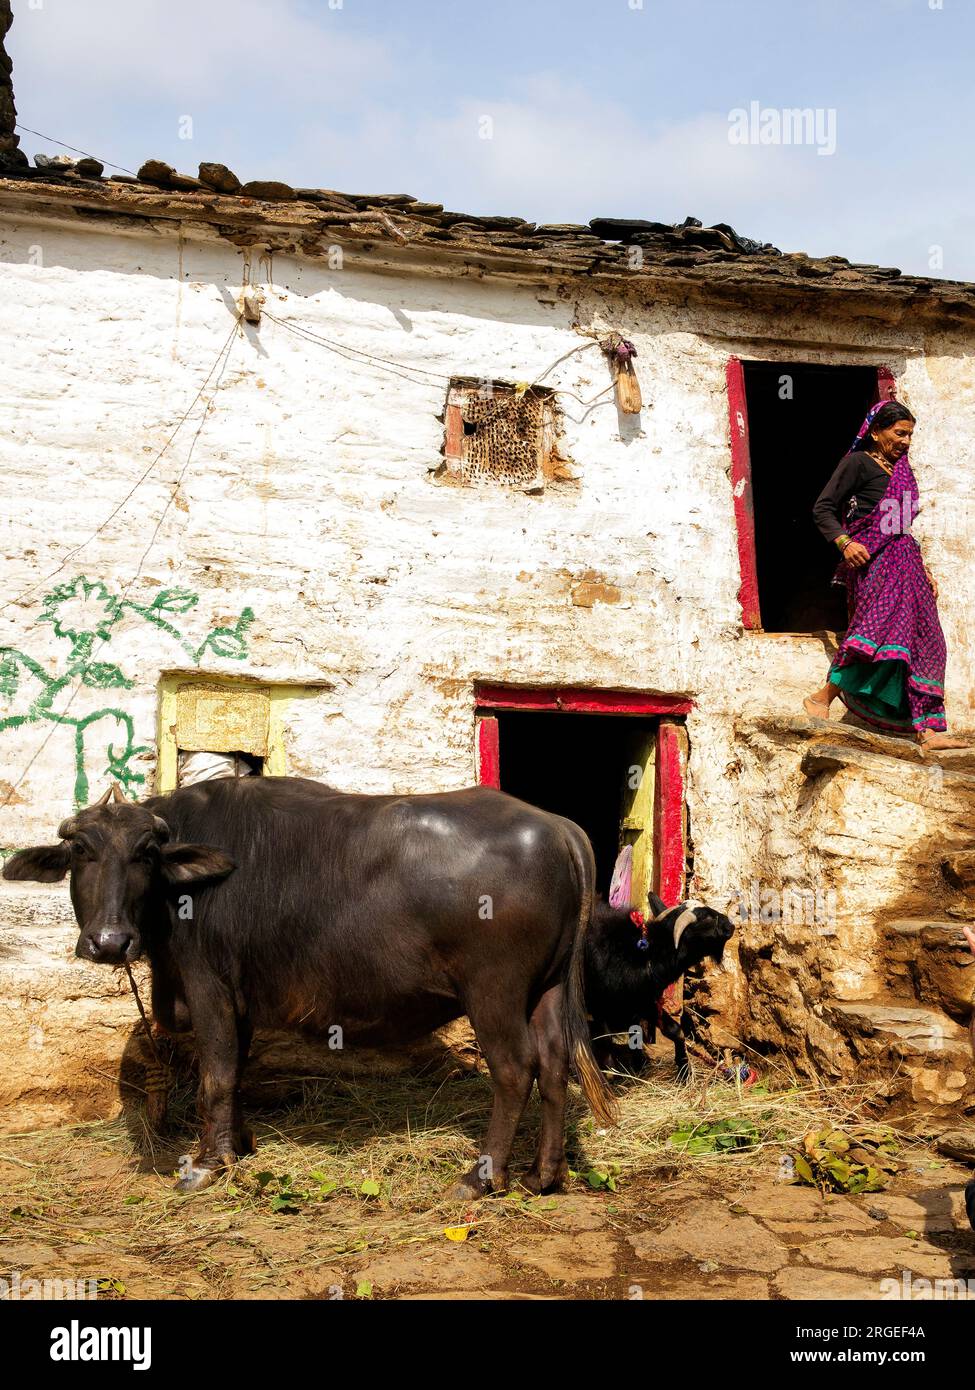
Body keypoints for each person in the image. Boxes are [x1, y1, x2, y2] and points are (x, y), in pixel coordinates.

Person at [803, 400, 965, 749]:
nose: (906, 441)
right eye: (899, 432)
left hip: (907, 561)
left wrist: (923, 570)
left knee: (928, 641)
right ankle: (822, 696)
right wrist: (845, 543)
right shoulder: (857, 463)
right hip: (876, 561)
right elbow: (823, 508)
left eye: (910, 435)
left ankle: (929, 730)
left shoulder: (903, 470)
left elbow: (901, 527)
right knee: (875, 634)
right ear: (876, 432)